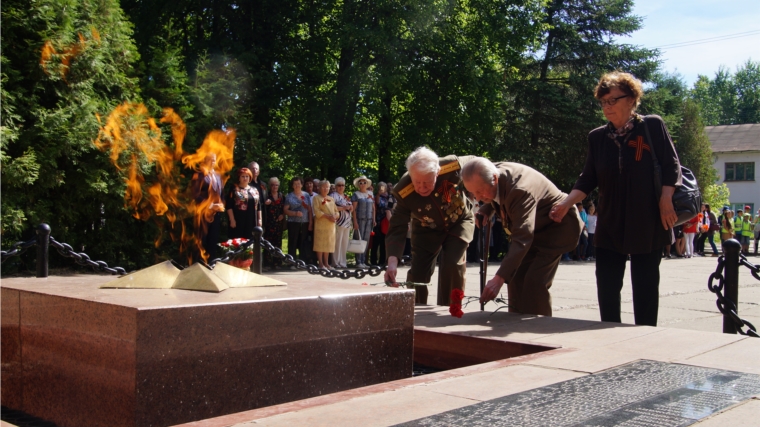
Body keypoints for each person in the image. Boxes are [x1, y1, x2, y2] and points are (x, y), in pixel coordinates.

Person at [549, 71, 681, 327]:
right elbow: (588, 178)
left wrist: (666, 198)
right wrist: (566, 203)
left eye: (613, 100)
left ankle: (645, 335)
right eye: (603, 102)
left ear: (631, 99)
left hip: (647, 218)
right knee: (607, 285)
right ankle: (610, 333)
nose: (607, 107)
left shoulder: (651, 126)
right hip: (611, 221)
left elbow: (671, 164)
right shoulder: (597, 137)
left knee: (645, 285)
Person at [463, 158, 583, 316]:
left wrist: (498, 278)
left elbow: (522, 238)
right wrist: (487, 208)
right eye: (473, 193)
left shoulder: (519, 190)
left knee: (535, 281)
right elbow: (497, 191)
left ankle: (540, 327)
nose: (477, 198)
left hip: (555, 229)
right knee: (514, 279)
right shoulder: (490, 172)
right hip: (534, 230)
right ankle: (514, 320)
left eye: (480, 192)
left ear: (494, 179)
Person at [384, 147, 476, 305]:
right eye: (417, 182)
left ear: (438, 172)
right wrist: (392, 262)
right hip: (426, 228)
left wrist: (481, 196)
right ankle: (415, 310)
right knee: (418, 273)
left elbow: (479, 165)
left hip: (458, 221)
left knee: (453, 264)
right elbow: (397, 227)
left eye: (427, 182)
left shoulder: (453, 165)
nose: (421, 187)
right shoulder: (403, 191)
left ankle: (451, 309)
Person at [191, 153, 226, 262]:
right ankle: (198, 264)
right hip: (203, 213)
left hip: (216, 214)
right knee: (201, 240)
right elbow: (195, 196)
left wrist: (221, 205)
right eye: (210, 159)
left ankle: (211, 263)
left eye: (214, 160)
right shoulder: (199, 176)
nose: (212, 162)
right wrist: (210, 205)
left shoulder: (218, 176)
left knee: (213, 239)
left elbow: (222, 194)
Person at [283, 176, 313, 266]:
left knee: (303, 243)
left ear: (302, 185)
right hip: (293, 223)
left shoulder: (306, 195)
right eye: (295, 184)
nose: (297, 185)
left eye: (299, 184)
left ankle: (302, 263)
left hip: (305, 222)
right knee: (293, 242)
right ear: (292, 185)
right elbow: (285, 210)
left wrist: (310, 222)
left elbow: (310, 210)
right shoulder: (289, 196)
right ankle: (291, 263)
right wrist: (295, 213)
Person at [226, 167, 261, 240]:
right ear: (239, 177)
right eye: (243, 176)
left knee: (251, 241)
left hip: (252, 220)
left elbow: (259, 206)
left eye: (247, 176)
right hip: (238, 220)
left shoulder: (254, 190)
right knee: (238, 241)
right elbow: (229, 205)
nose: (245, 178)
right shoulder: (234, 189)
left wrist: (259, 220)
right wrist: (232, 220)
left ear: (250, 178)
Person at [312, 180, 338, 270]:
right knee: (320, 243)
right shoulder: (316, 198)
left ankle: (327, 263)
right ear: (319, 188)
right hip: (321, 224)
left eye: (327, 187)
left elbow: (337, 211)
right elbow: (317, 211)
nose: (326, 189)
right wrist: (328, 217)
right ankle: (321, 263)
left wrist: (335, 216)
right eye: (324, 187)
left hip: (330, 226)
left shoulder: (331, 199)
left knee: (328, 244)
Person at [329, 177, 353, 268]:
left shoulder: (346, 196)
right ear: (335, 186)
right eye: (339, 185)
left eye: (343, 185)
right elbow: (331, 208)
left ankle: (343, 262)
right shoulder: (333, 195)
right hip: (338, 222)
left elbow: (352, 208)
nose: (341, 187)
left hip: (347, 222)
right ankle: (336, 262)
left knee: (344, 243)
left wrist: (350, 207)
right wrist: (343, 208)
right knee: (337, 242)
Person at [351, 175, 375, 268]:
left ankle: (363, 260)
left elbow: (373, 208)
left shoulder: (370, 194)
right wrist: (355, 222)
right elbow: (354, 209)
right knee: (359, 239)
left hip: (369, 220)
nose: (362, 184)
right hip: (360, 220)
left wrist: (374, 219)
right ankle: (358, 262)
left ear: (367, 184)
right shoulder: (356, 194)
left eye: (364, 182)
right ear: (358, 184)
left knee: (366, 240)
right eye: (360, 183)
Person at [263, 177, 285, 270]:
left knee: (278, 243)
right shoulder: (266, 196)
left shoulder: (281, 196)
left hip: (278, 224)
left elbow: (285, 209)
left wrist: (283, 215)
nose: (274, 187)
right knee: (267, 243)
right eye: (272, 185)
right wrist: (265, 203)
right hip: (269, 223)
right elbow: (262, 207)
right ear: (270, 186)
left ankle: (277, 263)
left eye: (276, 185)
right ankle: (267, 263)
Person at [371, 182, 391, 266]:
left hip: (386, 222)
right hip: (378, 222)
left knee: (384, 243)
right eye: (380, 187)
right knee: (375, 243)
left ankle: (382, 261)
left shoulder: (389, 197)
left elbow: (390, 208)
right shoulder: (377, 197)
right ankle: (373, 261)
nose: (382, 189)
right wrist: (379, 194)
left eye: (384, 187)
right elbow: (378, 204)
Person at [247, 161, 268, 226]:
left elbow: (266, 196)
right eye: (252, 168)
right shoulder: (246, 184)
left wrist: (268, 200)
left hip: (262, 211)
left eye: (256, 169)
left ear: (259, 171)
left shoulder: (263, 184)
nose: (254, 170)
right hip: (250, 211)